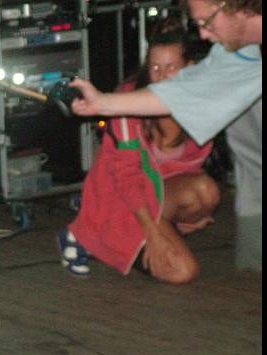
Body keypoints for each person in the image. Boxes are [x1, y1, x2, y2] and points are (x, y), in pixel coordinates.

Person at [69, 0, 262, 272]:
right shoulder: (238, 52)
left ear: (236, 5)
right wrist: (104, 102)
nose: (204, 34)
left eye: (207, 21)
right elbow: (182, 92)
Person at [59, 17, 219, 283]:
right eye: (155, 67)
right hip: (122, 199)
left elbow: (189, 169)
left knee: (206, 192)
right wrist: (154, 234)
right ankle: (88, 234)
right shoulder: (128, 103)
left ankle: (148, 234)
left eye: (171, 67)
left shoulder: (201, 105)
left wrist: (185, 217)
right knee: (183, 273)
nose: (162, 76)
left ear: (190, 68)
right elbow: (126, 179)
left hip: (156, 193)